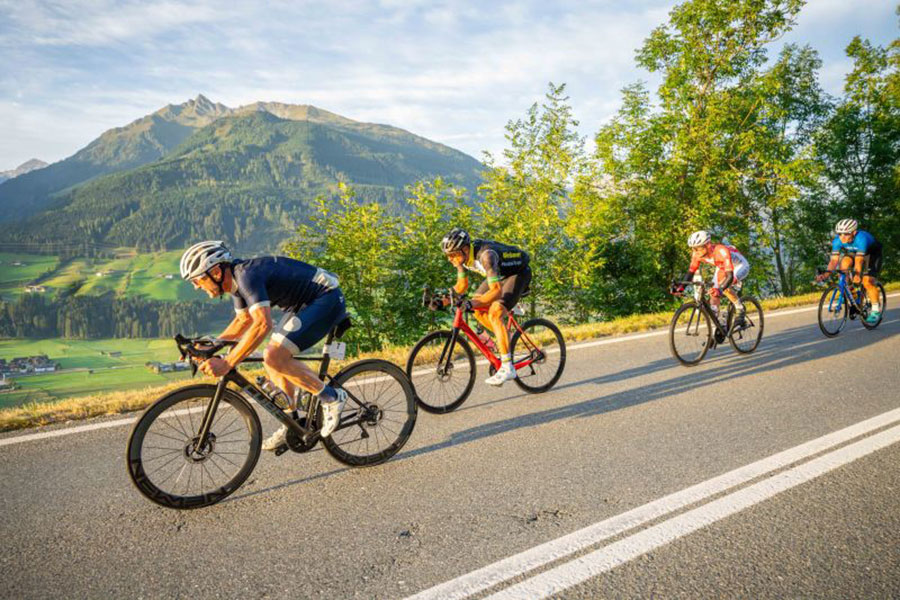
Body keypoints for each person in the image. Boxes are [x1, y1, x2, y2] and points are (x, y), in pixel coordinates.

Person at [180, 241, 347, 450]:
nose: (196, 286)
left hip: (326, 298)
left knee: (274, 355)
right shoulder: (235, 284)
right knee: (272, 362)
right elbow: (243, 321)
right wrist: (210, 347)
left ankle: (332, 397)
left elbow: (262, 323)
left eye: (197, 280)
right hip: (304, 303)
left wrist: (228, 362)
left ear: (215, 271)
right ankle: (292, 421)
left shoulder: (246, 277)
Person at [440, 228, 531, 386]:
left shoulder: (486, 256)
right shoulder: (461, 258)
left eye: (453, 254)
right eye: (448, 255)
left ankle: (508, 366)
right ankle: (503, 336)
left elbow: (496, 291)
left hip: (518, 274)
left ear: (465, 249)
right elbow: (462, 285)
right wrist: (442, 300)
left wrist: (471, 302)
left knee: (494, 313)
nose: (450, 259)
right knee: (477, 311)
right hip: (499, 275)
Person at [815, 219, 883, 323]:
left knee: (867, 281)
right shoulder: (838, 240)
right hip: (855, 252)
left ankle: (875, 310)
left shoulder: (861, 238)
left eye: (846, 234)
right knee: (843, 266)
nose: (842, 237)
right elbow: (833, 260)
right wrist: (826, 274)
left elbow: (859, 260)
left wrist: (857, 274)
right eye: (840, 234)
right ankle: (853, 297)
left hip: (872, 253)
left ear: (853, 232)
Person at [682, 230, 750, 326]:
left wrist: (721, 289)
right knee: (713, 292)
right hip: (723, 266)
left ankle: (740, 308)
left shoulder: (721, 251)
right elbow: (691, 272)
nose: (695, 251)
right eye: (693, 249)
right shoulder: (697, 254)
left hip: (739, 266)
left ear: (708, 245)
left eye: (698, 248)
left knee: (724, 287)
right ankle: (718, 325)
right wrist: (680, 288)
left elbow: (729, 276)